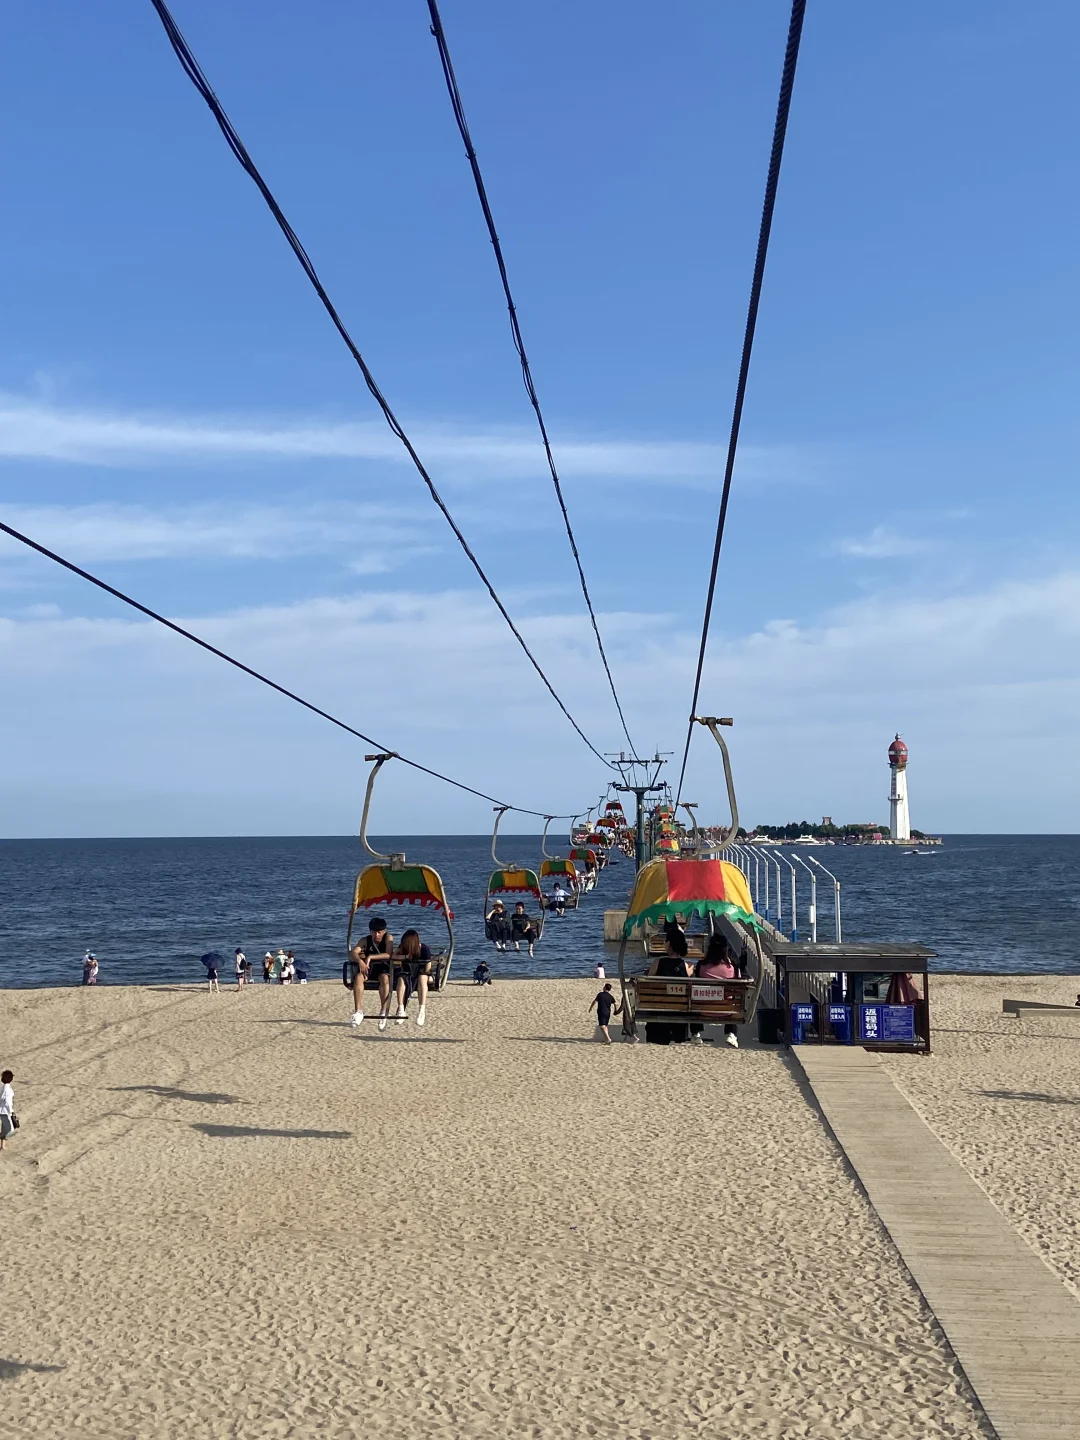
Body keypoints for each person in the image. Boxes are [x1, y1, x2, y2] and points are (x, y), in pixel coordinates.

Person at [348, 915, 394, 1030]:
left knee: (384, 979)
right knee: (358, 977)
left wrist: (370, 957)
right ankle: (358, 1011)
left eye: (379, 932)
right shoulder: (365, 940)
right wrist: (360, 961)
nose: (376, 935)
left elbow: (388, 954)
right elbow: (353, 952)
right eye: (374, 932)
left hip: (383, 967)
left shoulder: (388, 938)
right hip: (369, 968)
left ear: (384, 931)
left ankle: (383, 1012)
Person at [646, 930, 691, 1045]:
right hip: (679, 1015)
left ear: (670, 943)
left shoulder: (658, 962)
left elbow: (648, 985)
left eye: (665, 941)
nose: (664, 943)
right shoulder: (685, 966)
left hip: (659, 1015)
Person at [697, 936, 737, 1048]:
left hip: (703, 1010)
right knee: (733, 1001)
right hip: (726, 1011)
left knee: (693, 997)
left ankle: (696, 1032)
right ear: (726, 950)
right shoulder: (732, 967)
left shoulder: (701, 965)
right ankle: (731, 1033)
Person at [393, 929, 432, 1027]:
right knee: (401, 980)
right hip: (407, 973)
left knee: (422, 978)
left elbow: (428, 966)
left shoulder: (424, 949)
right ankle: (401, 1010)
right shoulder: (403, 948)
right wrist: (405, 957)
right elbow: (393, 956)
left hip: (421, 974)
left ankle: (421, 1011)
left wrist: (428, 975)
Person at [0, 1070, 14, 1152]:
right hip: (5, 1111)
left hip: (2, 1110)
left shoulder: (3, 1087)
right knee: (9, 1129)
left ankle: (2, 1145)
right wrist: (11, 1111)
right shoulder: (7, 1089)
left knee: (4, 1127)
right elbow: (8, 1102)